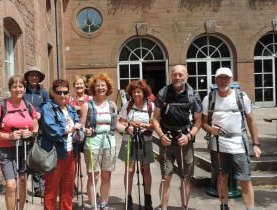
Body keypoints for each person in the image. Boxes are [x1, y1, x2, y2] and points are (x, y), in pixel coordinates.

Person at [202, 67, 261, 210]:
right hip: (218, 145)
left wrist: (256, 144)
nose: (223, 81)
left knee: (245, 180)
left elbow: (251, 121)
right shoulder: (208, 98)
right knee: (222, 178)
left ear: (231, 79)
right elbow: (204, 123)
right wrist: (210, 129)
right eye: (220, 78)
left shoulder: (241, 97)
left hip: (238, 145)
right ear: (215, 80)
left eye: (226, 78)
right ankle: (224, 205)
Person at [152, 65, 202, 210]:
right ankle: (164, 207)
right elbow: (155, 119)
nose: (177, 77)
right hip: (166, 141)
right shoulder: (163, 93)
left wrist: (189, 136)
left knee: (186, 177)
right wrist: (161, 135)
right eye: (175, 74)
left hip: (184, 142)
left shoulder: (193, 94)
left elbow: (199, 121)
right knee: (165, 176)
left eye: (181, 74)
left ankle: (184, 207)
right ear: (171, 75)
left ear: (187, 76)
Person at [0, 75, 39, 210]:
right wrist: (9, 136)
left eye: (21, 86)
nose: (18, 89)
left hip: (24, 149)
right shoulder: (2, 106)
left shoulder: (28, 106)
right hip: (6, 150)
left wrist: (30, 134)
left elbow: (35, 128)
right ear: (10, 89)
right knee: (11, 185)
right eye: (15, 86)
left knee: (22, 182)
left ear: (24, 88)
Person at [40, 79, 83, 210]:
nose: (62, 95)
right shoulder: (47, 108)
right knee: (51, 190)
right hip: (54, 154)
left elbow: (79, 127)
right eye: (59, 92)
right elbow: (52, 130)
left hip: (71, 154)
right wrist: (69, 129)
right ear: (53, 92)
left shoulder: (71, 109)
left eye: (65, 92)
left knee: (68, 189)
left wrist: (82, 131)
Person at [80, 73, 118, 210]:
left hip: (109, 143)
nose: (101, 88)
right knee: (93, 176)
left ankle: (104, 203)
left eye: (103, 85)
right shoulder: (87, 105)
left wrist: (128, 129)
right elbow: (81, 126)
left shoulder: (112, 105)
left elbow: (117, 125)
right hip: (92, 143)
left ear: (108, 88)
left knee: (106, 175)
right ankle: (93, 205)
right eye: (98, 86)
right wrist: (85, 131)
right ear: (93, 88)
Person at [118, 80, 155, 210]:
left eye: (139, 91)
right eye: (134, 92)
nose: (136, 94)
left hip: (146, 140)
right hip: (129, 139)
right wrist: (127, 126)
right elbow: (120, 122)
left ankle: (148, 198)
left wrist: (145, 125)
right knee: (130, 170)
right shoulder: (127, 105)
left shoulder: (150, 106)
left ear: (144, 93)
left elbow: (155, 124)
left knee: (146, 169)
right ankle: (128, 198)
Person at [23, 66, 50, 197]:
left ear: (39, 78)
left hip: (39, 129)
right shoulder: (23, 91)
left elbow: (48, 107)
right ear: (27, 77)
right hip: (24, 128)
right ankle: (22, 185)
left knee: (38, 158)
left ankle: (39, 187)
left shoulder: (43, 92)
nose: (34, 77)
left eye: (36, 75)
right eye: (31, 75)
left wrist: (41, 114)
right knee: (25, 157)